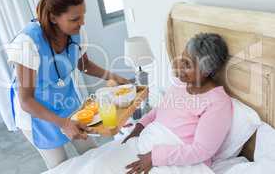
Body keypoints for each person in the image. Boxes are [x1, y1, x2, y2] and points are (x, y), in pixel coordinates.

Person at [43, 33, 233, 174]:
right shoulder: (182, 85)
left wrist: (155, 157)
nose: (178, 68)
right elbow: (161, 111)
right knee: (95, 167)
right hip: (148, 142)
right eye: (181, 60)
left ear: (207, 71)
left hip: (175, 157)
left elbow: (201, 151)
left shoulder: (218, 104)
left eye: (187, 65)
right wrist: (139, 127)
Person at [6, 0, 129, 169]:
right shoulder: (27, 43)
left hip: (66, 102)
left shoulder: (75, 31)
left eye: (82, 15)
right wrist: (64, 124)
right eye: (75, 19)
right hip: (36, 114)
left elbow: (84, 65)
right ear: (54, 18)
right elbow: (26, 101)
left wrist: (113, 77)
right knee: (61, 166)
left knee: (92, 154)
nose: (82, 22)